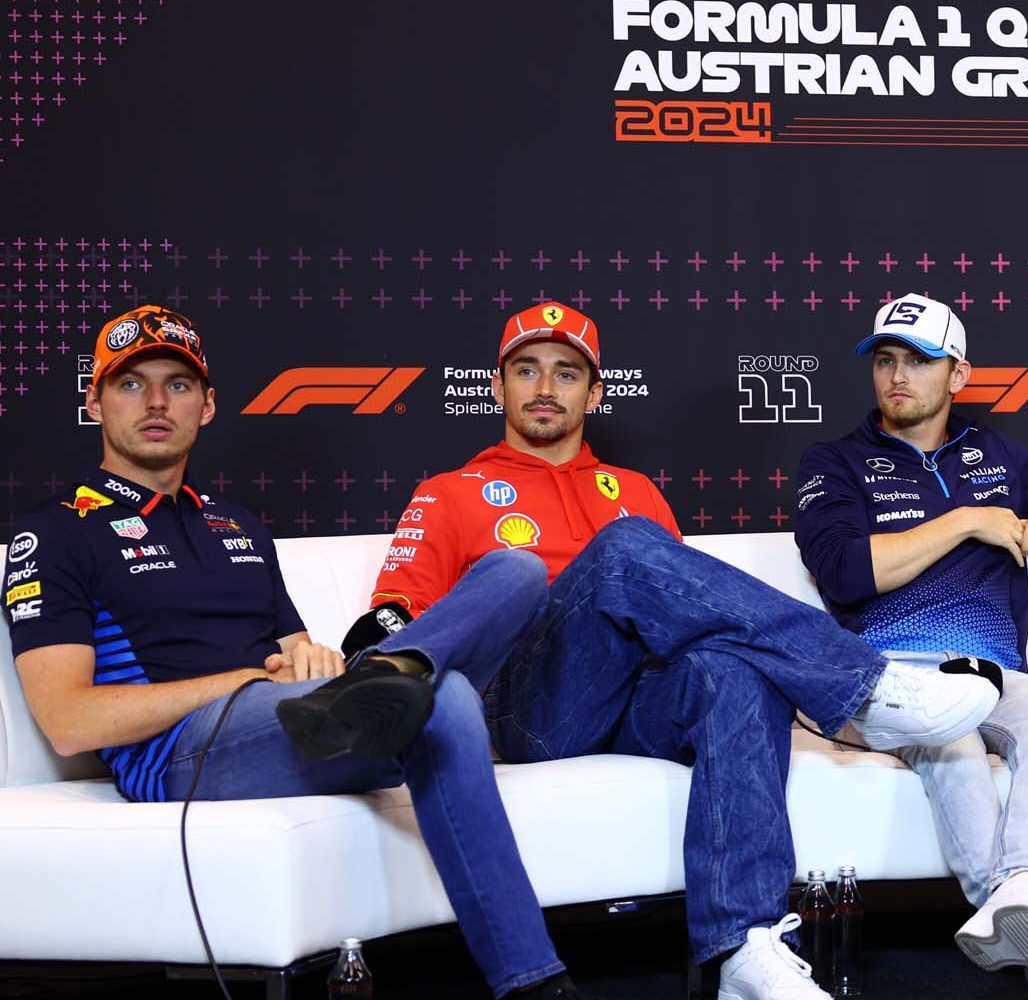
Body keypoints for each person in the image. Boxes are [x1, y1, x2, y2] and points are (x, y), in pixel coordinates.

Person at [312, 301, 1000, 1000]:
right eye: (527, 370)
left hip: (633, 701)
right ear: (497, 387)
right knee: (626, 548)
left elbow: (696, 614)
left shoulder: (634, 491)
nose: (546, 388)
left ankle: (744, 947)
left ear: (596, 393)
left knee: (731, 671)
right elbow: (390, 623)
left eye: (566, 373)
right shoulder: (449, 493)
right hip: (527, 709)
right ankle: (867, 688)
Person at [3, 306, 591, 999]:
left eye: (178, 385)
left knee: (514, 572)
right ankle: (534, 985)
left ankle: (402, 668)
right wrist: (248, 680)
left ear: (208, 405)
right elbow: (71, 720)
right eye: (131, 384)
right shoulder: (55, 531)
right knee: (449, 698)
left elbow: (297, 655)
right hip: (181, 755)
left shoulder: (239, 526)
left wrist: (313, 664)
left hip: (289, 718)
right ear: (95, 400)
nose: (157, 402)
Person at [792, 294, 1028, 1000]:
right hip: (882, 680)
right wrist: (965, 522)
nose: (897, 375)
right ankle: (1021, 910)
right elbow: (843, 571)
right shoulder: (835, 462)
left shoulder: (997, 454)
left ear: (958, 376)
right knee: (951, 739)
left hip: (991, 674)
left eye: (919, 361)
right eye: (885, 360)